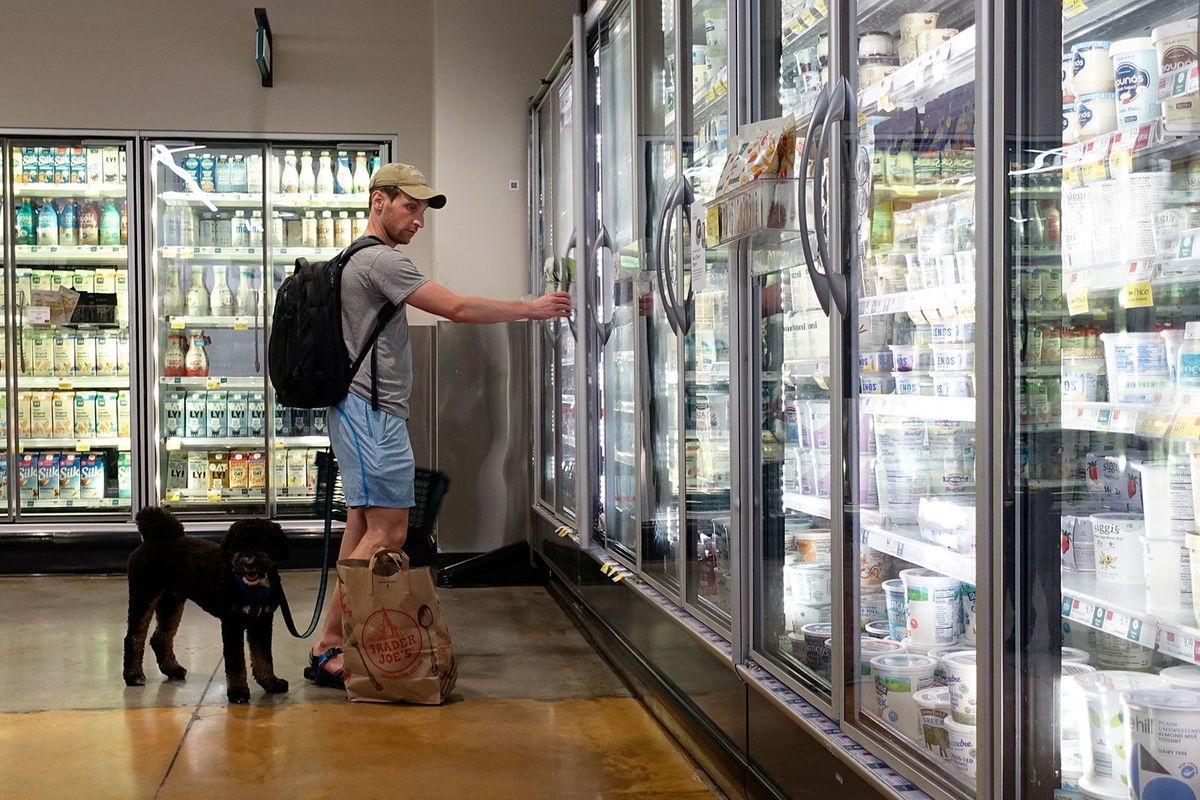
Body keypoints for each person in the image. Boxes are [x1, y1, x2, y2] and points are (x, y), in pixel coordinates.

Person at [305, 163, 571, 688]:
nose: (419, 220)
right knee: (390, 531)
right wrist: (532, 308)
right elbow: (456, 308)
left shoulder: (355, 259)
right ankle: (330, 646)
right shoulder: (379, 260)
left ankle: (332, 644)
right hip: (373, 413)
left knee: (362, 524)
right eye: (411, 206)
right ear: (378, 201)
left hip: (360, 411)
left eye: (423, 210)